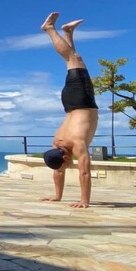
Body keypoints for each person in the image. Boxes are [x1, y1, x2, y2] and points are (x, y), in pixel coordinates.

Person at [39, 12, 99, 209]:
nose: (65, 168)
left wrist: (85, 201)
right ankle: (68, 32)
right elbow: (58, 170)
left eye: (65, 164)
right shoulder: (57, 143)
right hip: (72, 102)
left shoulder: (76, 143)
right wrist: (57, 196)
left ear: (64, 157)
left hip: (82, 101)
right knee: (74, 59)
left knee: (73, 59)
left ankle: (49, 29)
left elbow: (84, 172)